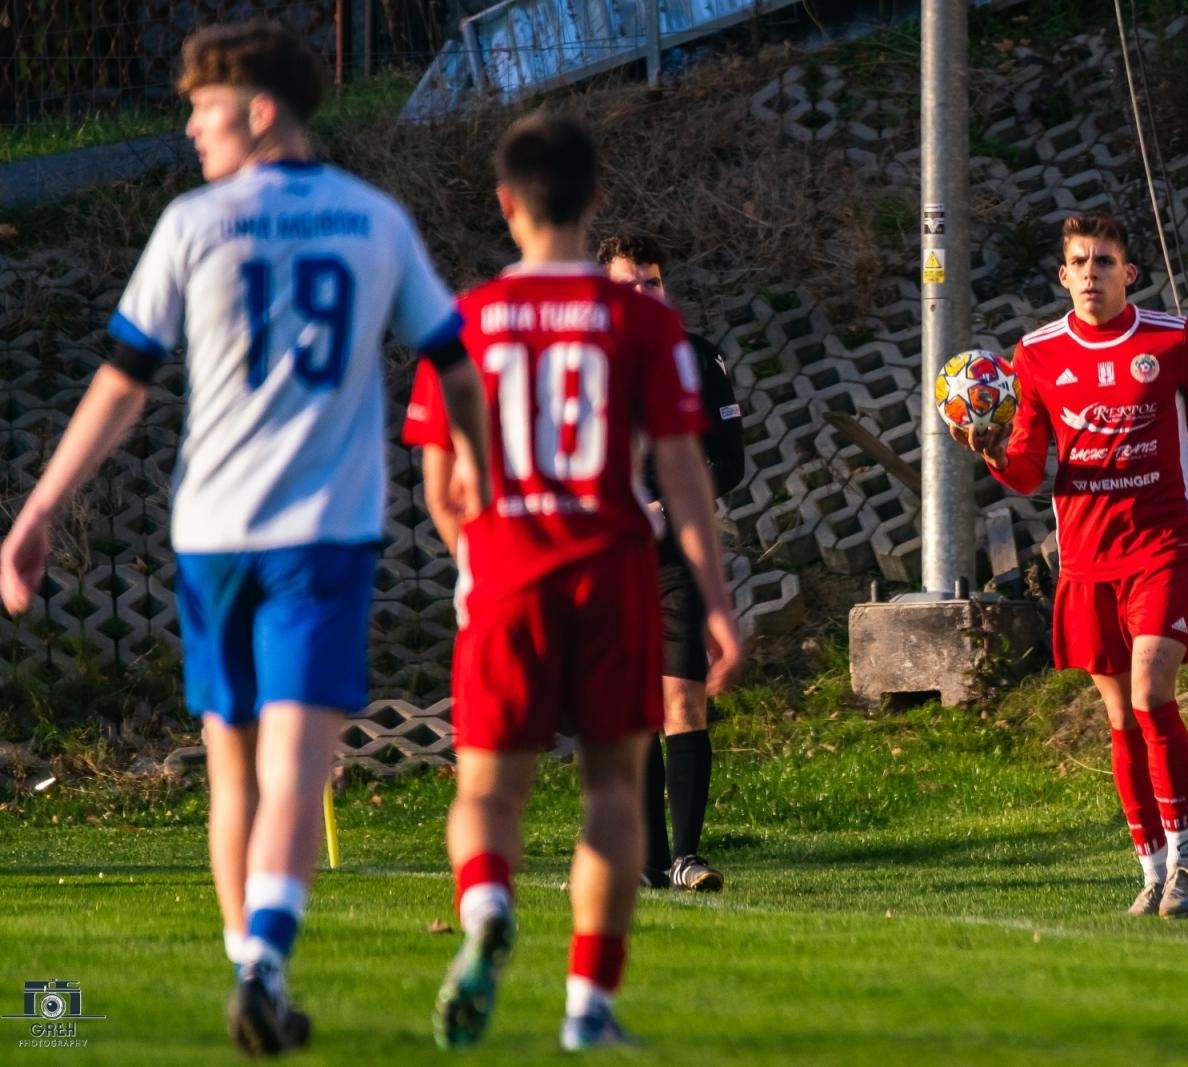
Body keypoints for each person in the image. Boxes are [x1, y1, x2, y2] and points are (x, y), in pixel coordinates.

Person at [0, 21, 491, 1056]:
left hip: (212, 535)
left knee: (235, 768)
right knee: (296, 765)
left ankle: (248, 966)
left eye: (202, 106)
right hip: (323, 534)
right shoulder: (374, 220)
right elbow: (453, 357)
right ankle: (265, 964)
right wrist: (477, 472)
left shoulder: (193, 225)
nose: (187, 127)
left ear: (260, 110)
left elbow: (122, 385)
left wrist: (38, 508)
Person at [401, 114, 742, 1052]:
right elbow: (684, 473)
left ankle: (484, 913)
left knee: (487, 790)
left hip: (508, 572)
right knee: (612, 793)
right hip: (615, 572)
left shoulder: (460, 320)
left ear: (505, 205)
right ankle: (588, 1007)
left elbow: (441, 489)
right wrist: (715, 603)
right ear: (594, 201)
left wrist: (481, 557)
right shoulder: (644, 320)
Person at [952, 212, 1188, 919]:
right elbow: (1028, 469)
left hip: (1164, 547)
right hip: (1087, 562)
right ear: (1063, 275)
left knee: (1151, 692)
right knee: (1120, 718)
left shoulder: (1173, 340)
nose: (1091, 273)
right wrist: (990, 447)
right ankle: (1149, 872)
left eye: (1105, 261)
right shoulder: (1036, 355)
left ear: (1128, 273)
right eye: (1080, 262)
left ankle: (1187, 861)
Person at [596, 232, 745, 893]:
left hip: (680, 558)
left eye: (650, 282)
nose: (640, 294)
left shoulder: (698, 360)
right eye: (626, 283)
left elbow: (729, 461)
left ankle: (687, 854)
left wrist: (672, 507)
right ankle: (648, 860)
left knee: (682, 701)